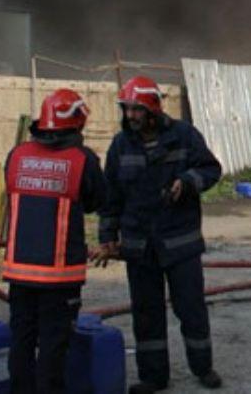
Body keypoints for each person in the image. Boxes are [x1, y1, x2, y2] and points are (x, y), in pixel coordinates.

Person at [93, 76, 223, 392]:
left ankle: (203, 367)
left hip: (180, 244)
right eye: (127, 110)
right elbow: (110, 196)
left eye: (137, 109)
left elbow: (211, 169)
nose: (131, 116)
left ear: (153, 108)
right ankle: (153, 377)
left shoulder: (184, 136)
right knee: (146, 313)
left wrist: (188, 180)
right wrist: (108, 236)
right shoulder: (120, 145)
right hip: (139, 247)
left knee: (190, 308)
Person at [3, 89, 105, 394]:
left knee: (21, 340)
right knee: (53, 346)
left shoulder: (17, 154)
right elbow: (97, 200)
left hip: (19, 272)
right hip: (59, 277)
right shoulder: (81, 160)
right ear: (77, 122)